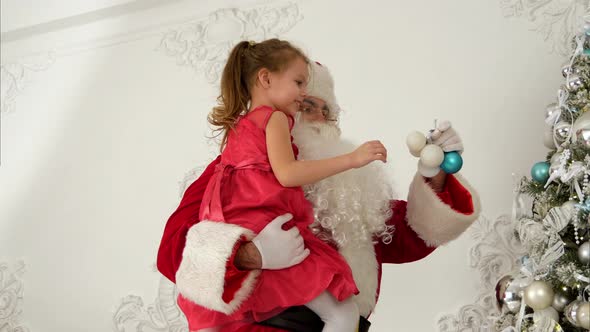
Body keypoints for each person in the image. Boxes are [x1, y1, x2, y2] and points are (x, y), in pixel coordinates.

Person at [156, 60, 481, 332]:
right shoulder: (237, 167)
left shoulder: (350, 189)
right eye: (308, 106)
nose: (321, 119)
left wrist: (434, 171)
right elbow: (173, 251)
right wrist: (251, 254)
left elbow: (410, 235)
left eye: (328, 112)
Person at [177, 39, 390, 332]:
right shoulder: (275, 119)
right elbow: (288, 174)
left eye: (326, 110)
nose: (304, 98)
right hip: (271, 243)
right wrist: (352, 158)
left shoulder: (238, 128)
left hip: (245, 241)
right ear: (265, 78)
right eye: (300, 85)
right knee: (343, 314)